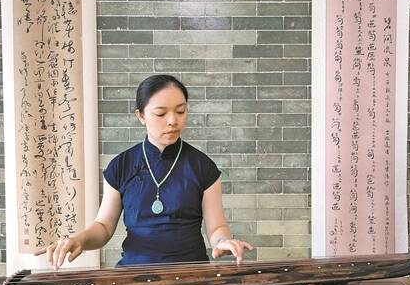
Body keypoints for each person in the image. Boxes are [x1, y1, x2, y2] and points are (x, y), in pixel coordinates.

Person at [35, 74, 253, 269]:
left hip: (190, 273)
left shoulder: (203, 166)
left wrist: (223, 242)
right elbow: (103, 227)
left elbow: (217, 227)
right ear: (141, 115)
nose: (172, 121)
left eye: (180, 111)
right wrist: (79, 240)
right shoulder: (121, 165)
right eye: (160, 113)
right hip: (134, 274)